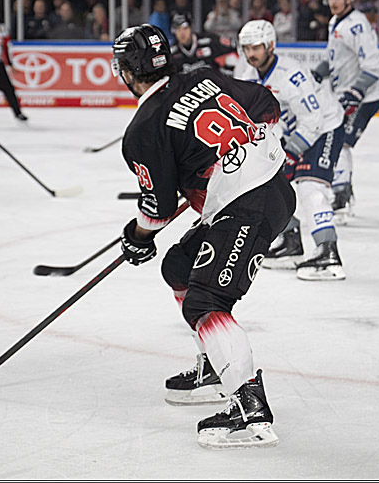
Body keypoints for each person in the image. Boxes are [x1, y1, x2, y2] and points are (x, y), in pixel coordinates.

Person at [112, 23, 294, 449]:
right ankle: (217, 364)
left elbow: (155, 211)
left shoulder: (143, 129)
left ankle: (250, 411)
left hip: (246, 205)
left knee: (205, 302)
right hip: (272, 188)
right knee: (178, 267)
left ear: (127, 71)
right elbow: (267, 105)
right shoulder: (201, 76)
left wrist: (137, 237)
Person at [237, 19, 347, 280]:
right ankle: (291, 243)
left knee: (310, 187)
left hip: (325, 127)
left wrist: (289, 153)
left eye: (256, 48)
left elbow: (313, 119)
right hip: (294, 131)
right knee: (267, 186)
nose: (251, 54)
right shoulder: (249, 76)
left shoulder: (290, 75)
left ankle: (328, 252)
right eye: (246, 48)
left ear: (270, 46)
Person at [313, 0, 379, 219]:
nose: (333, 2)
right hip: (351, 91)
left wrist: (356, 91)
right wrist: (317, 74)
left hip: (369, 93)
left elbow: (373, 65)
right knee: (339, 136)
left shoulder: (357, 25)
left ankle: (342, 194)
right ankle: (342, 191)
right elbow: (335, 56)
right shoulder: (335, 22)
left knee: (342, 139)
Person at [169, 12, 238, 76]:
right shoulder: (172, 52)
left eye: (185, 28)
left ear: (191, 28)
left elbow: (234, 46)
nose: (182, 33)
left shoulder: (209, 40)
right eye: (178, 29)